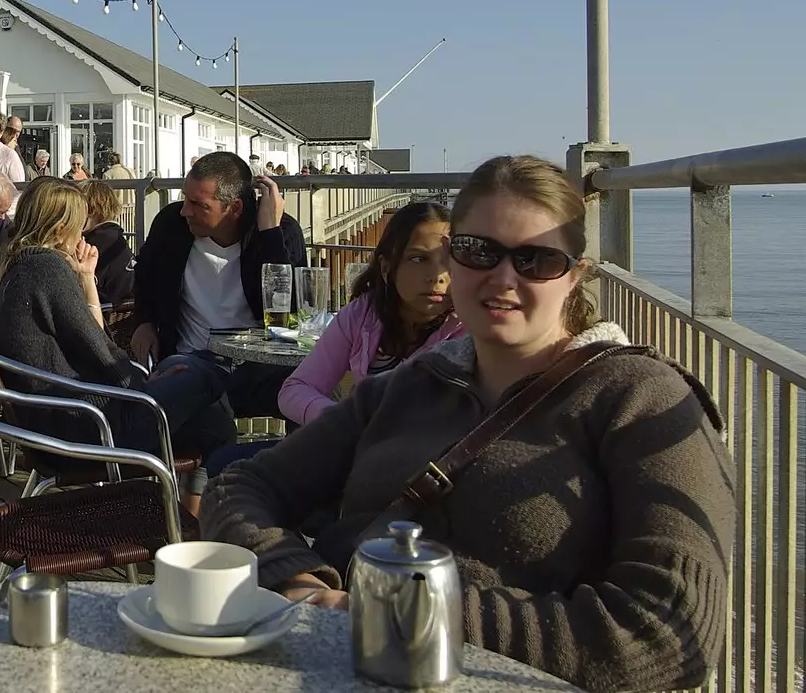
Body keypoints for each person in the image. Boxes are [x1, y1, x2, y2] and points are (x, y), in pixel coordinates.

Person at [201, 155, 734, 693]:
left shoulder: (640, 399)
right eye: (478, 251)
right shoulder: (409, 386)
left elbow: (671, 633)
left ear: (576, 276)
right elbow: (242, 487)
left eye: (537, 260)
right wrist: (302, 580)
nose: (503, 278)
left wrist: (399, 612)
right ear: (453, 260)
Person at [0, 179, 235, 459]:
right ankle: (199, 498)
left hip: (57, 425)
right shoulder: (47, 269)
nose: (83, 236)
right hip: (87, 427)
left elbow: (93, 338)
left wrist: (87, 277)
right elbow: (99, 349)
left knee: (212, 422)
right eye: (80, 227)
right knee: (206, 378)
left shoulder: (16, 267)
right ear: (60, 230)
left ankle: (183, 500)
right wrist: (146, 383)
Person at [128, 152, 308, 426]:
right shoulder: (171, 225)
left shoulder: (281, 232)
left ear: (234, 208)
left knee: (314, 389)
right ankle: (104, 452)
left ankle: (299, 468)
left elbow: (290, 316)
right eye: (185, 198)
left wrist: (269, 234)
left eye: (197, 204)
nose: (184, 210)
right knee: (180, 391)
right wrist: (144, 320)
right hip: (193, 360)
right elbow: (144, 275)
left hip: (258, 367)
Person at [278, 202, 463, 425]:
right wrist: (344, 421)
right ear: (387, 268)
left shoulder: (470, 330)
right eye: (418, 259)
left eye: (450, 260)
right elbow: (296, 389)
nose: (437, 276)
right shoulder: (364, 315)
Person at [80, 179, 133, 305]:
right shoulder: (116, 238)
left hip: (103, 313)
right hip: (126, 314)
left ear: (90, 210)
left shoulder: (91, 245)